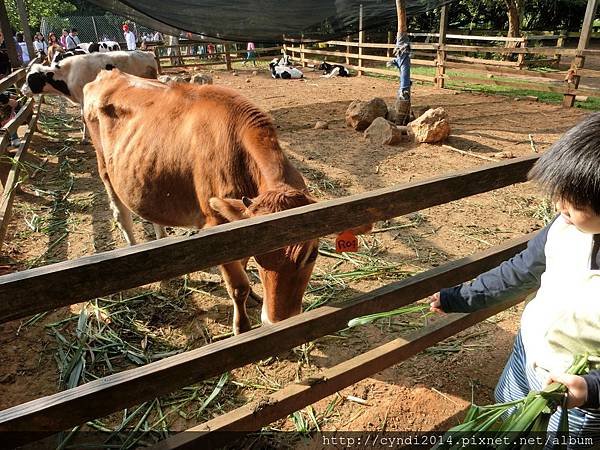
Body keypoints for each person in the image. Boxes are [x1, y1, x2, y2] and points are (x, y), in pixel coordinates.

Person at [430, 113, 600, 445]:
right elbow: (520, 271)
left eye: (574, 202)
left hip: (574, 391)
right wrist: (460, 298)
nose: (559, 205)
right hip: (528, 351)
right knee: (509, 414)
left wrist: (591, 388)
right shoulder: (564, 228)